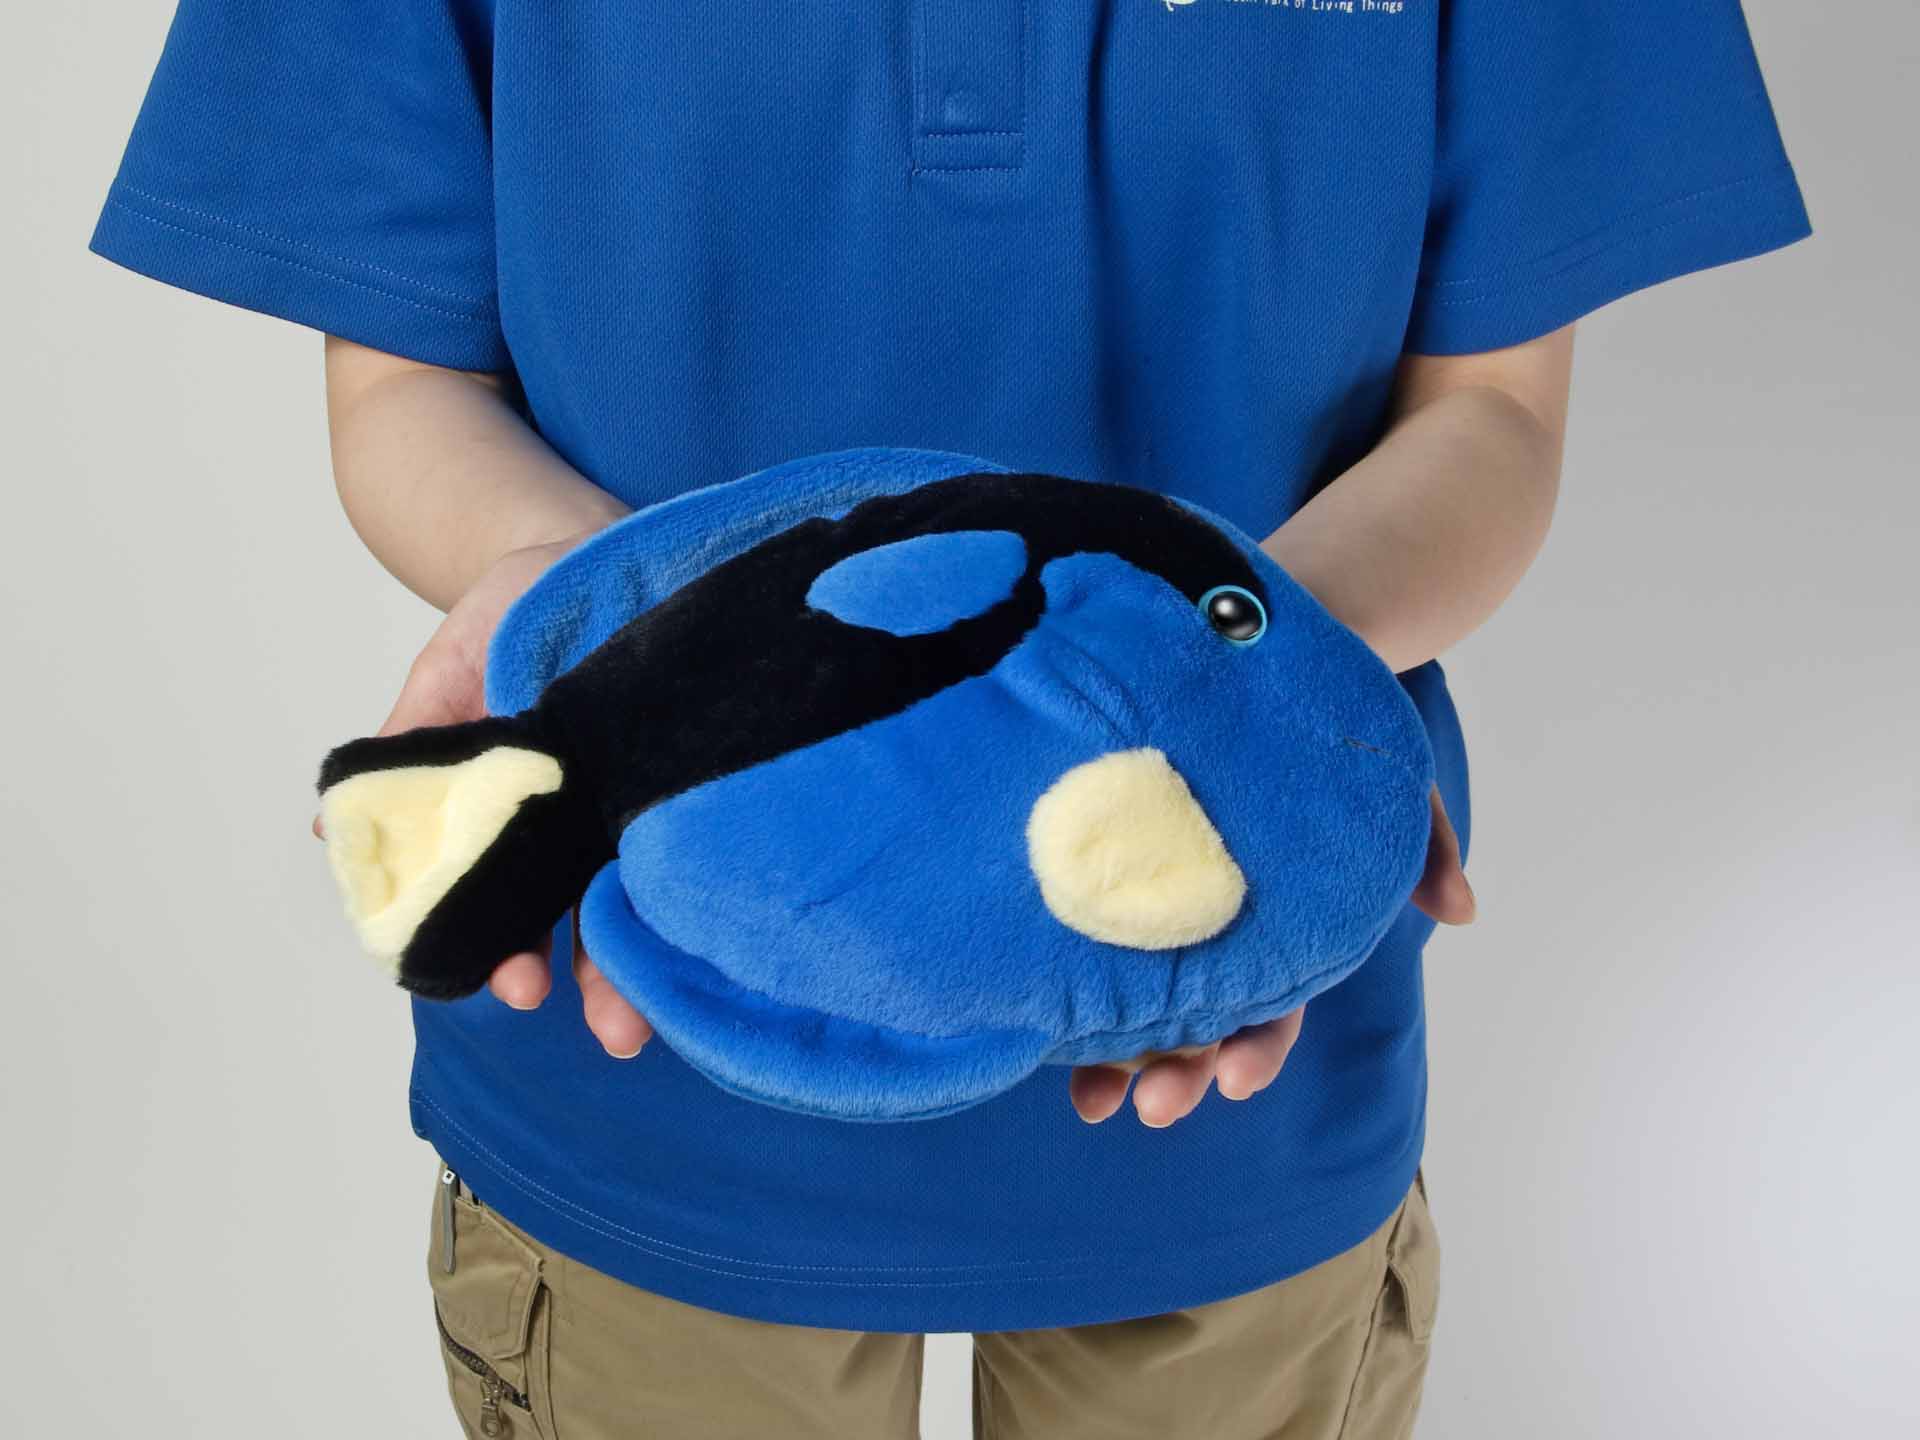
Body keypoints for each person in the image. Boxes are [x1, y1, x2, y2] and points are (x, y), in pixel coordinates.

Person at [91, 2, 1809, 1434]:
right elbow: (403, 381)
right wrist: (639, 653)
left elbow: (1495, 412)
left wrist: (1238, 699)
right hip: (646, 1061)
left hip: (1231, 1049)